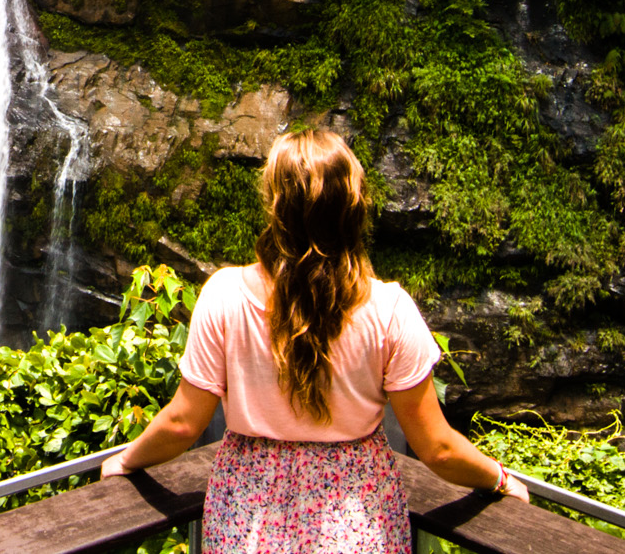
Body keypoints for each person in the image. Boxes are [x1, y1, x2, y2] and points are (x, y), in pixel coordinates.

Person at [100, 127, 529, 552]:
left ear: (274, 204)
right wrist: (501, 478)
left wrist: (126, 459)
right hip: (356, 514)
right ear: (354, 206)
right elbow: (436, 448)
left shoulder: (224, 294)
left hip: (247, 509)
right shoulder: (389, 310)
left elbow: (182, 423)